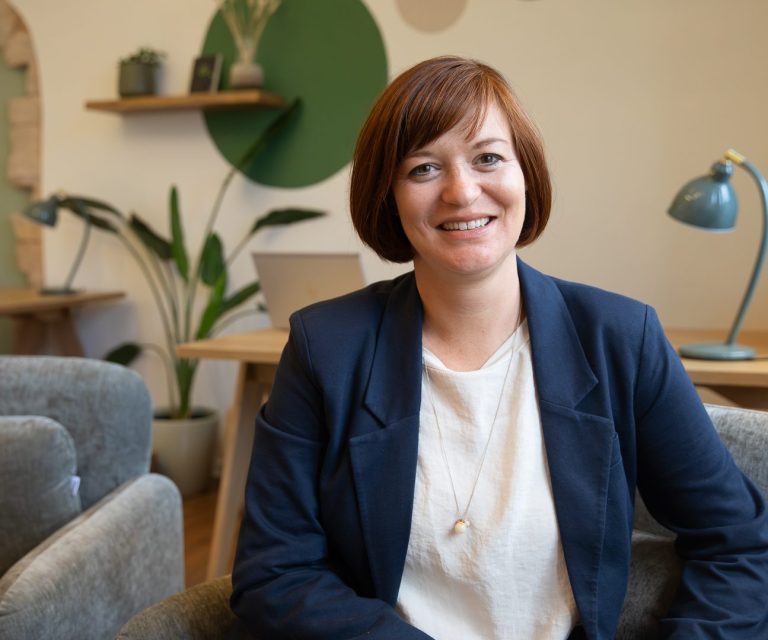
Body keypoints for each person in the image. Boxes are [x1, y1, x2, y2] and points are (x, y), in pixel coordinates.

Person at [230, 56, 768, 639]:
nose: (462, 191)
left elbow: (739, 542)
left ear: (525, 174)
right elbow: (274, 574)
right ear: (388, 196)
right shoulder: (325, 349)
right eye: (423, 168)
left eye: (487, 158)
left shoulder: (620, 338)